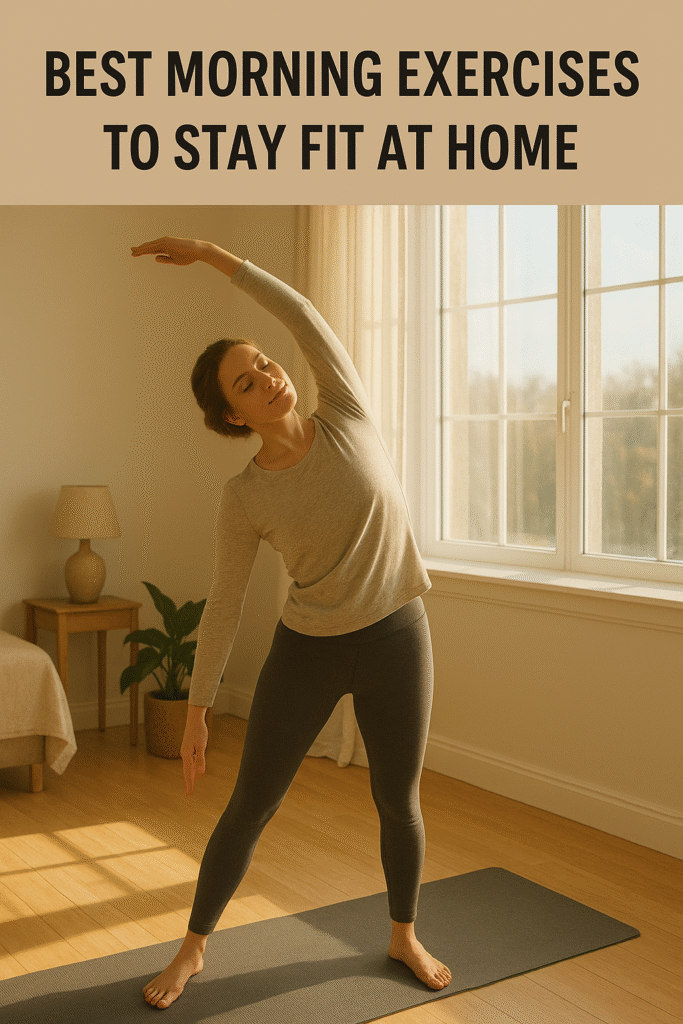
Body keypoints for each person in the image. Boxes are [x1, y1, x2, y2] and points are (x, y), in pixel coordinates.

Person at [130, 235, 452, 1009]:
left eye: (266, 365)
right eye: (247, 382)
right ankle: (194, 949)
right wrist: (200, 707)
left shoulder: (343, 410)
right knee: (250, 806)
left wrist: (212, 254)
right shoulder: (244, 497)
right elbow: (228, 599)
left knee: (395, 799)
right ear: (229, 413)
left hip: (396, 635)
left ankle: (402, 932)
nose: (269, 379)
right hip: (307, 650)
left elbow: (301, 313)